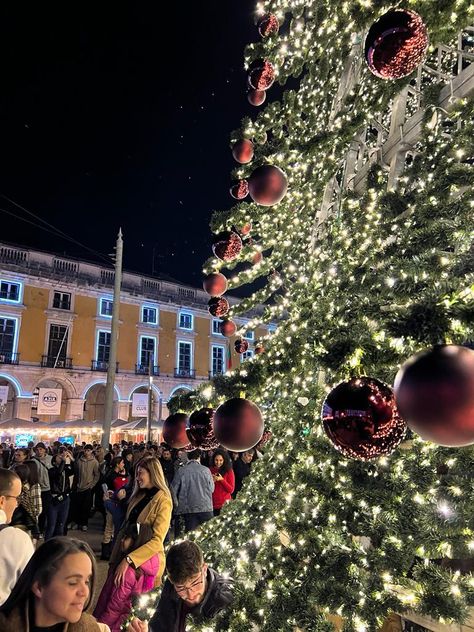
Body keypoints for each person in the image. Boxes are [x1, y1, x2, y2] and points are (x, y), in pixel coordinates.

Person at [0, 536, 110, 631]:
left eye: (86, 582)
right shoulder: (6, 625)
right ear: (39, 587)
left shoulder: (89, 628)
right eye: (73, 582)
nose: (85, 592)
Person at [128, 540, 234, 632]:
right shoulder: (171, 588)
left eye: (195, 583)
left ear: (204, 569)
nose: (190, 594)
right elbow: (160, 625)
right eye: (181, 588)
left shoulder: (224, 600)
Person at [109, 456, 172, 588]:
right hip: (124, 552)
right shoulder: (139, 494)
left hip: (143, 564)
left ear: (152, 473)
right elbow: (128, 523)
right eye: (137, 474)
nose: (137, 478)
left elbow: (157, 540)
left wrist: (129, 560)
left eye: (140, 473)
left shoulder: (163, 500)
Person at [94, 523, 158, 631]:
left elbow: (114, 607)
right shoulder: (148, 565)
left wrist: (100, 627)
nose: (121, 540)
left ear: (136, 541)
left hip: (113, 625)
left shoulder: (127, 572)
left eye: (126, 538)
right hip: (126, 620)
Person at [0, 468, 35, 606]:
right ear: (2, 500)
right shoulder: (16, 539)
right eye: (16, 498)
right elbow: (30, 587)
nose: (17, 504)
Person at [171, 448, 214, 534]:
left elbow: (173, 490)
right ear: (199, 456)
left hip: (187, 509)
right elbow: (212, 489)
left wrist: (176, 508)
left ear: (187, 456)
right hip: (206, 508)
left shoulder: (181, 471)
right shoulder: (206, 470)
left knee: (189, 539)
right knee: (206, 537)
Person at [69, 444, 100, 531]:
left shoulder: (94, 462)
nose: (87, 452)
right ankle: (77, 522)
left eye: (89, 450)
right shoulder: (79, 460)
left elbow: (97, 475)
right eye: (85, 450)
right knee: (77, 506)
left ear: (91, 451)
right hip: (78, 487)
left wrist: (92, 485)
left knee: (86, 507)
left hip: (87, 488)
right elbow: (75, 471)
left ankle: (84, 523)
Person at [46, 449, 74, 539]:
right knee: (51, 525)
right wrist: (63, 461)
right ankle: (47, 545)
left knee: (61, 524)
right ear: (54, 462)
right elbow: (58, 472)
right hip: (54, 499)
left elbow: (75, 470)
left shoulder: (66, 470)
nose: (61, 457)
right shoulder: (51, 470)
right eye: (59, 457)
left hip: (65, 499)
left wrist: (71, 458)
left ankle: (58, 545)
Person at [10, 462, 42, 540]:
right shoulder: (14, 486)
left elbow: (38, 509)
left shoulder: (31, 486)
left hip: (26, 524)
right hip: (14, 522)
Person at [32, 442, 53, 537]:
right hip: (37, 488)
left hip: (48, 489)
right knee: (37, 510)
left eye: (41, 449)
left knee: (45, 511)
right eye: (37, 449)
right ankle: (37, 530)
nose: (39, 451)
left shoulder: (50, 459)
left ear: (45, 449)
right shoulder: (33, 460)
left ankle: (42, 529)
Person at [208, 449, 235, 516]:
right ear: (213, 460)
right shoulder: (209, 470)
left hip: (225, 506)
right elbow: (206, 489)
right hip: (212, 505)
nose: (218, 462)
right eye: (216, 460)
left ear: (224, 460)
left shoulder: (229, 471)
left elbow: (231, 490)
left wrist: (222, 480)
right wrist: (212, 481)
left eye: (221, 460)